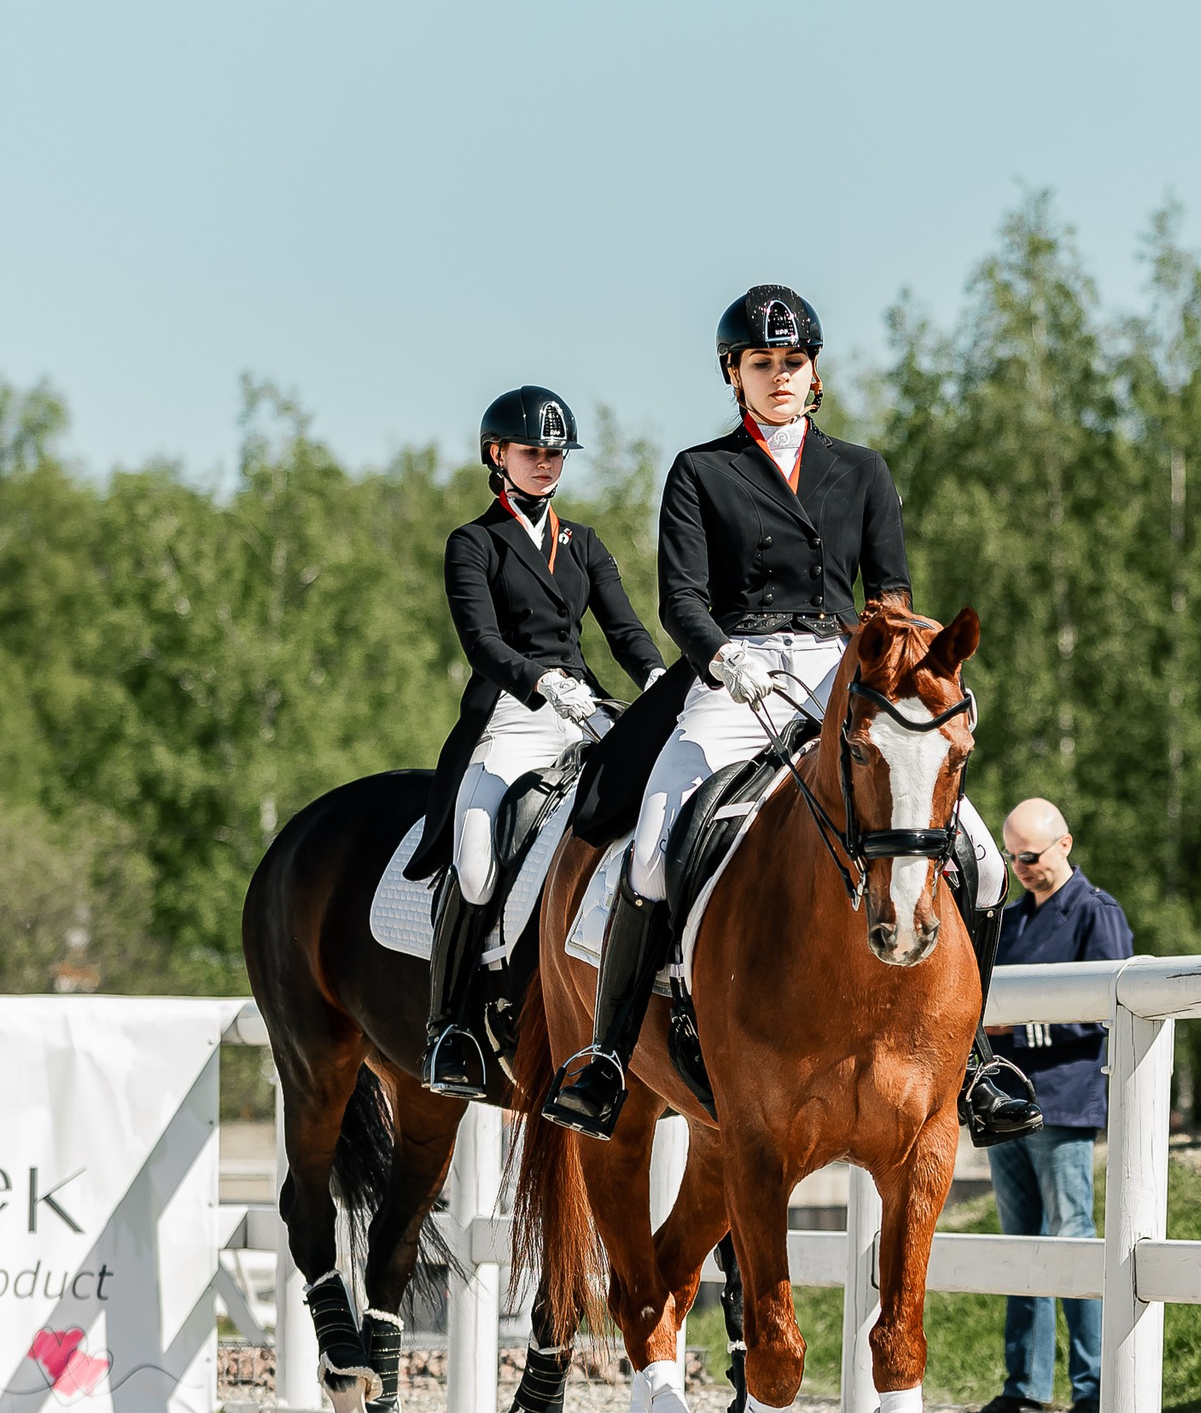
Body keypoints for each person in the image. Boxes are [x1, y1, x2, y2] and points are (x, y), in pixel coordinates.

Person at [543, 285, 1038, 1143]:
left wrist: (918, 664)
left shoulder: (862, 469)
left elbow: (889, 594)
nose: (779, 376)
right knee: (654, 845)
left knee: (986, 865)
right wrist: (722, 656)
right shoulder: (701, 471)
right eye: (761, 362)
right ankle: (609, 1055)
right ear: (733, 374)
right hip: (733, 674)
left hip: (846, 672)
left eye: (793, 361)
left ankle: (975, 1062)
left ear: (815, 374)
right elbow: (682, 599)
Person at [418, 386, 667, 1098]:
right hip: (510, 714)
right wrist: (539, 680)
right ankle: (447, 1028)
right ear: (497, 456)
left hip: (585, 709)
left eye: (556, 452)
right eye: (532, 451)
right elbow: (481, 640)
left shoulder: (583, 543)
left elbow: (623, 628)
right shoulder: (473, 543)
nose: (547, 462)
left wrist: (655, 680)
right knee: (474, 864)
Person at [954, 798, 1132, 1413]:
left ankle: (1095, 1389)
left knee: (1072, 1238)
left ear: (1065, 844)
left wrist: (1020, 1026)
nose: (1021, 867)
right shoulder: (1010, 918)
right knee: (1020, 1244)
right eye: (1012, 858)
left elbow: (1109, 1006)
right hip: (1007, 1101)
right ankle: (1025, 1386)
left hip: (1063, 1100)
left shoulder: (1095, 911)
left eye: (1030, 856)